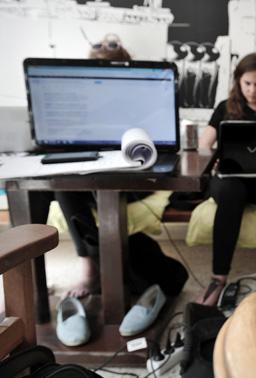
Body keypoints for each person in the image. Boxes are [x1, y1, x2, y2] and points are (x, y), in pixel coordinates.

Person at [56, 34, 152, 298]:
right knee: (63, 185)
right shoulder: (80, 100)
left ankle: (107, 270)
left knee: (95, 184)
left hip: (134, 174)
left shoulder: (144, 96)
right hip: (94, 171)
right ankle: (88, 264)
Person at [196, 53, 256, 306]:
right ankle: (218, 277)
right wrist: (213, 157)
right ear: (238, 81)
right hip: (230, 179)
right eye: (247, 83)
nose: (252, 90)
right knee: (230, 192)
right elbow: (204, 145)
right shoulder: (224, 107)